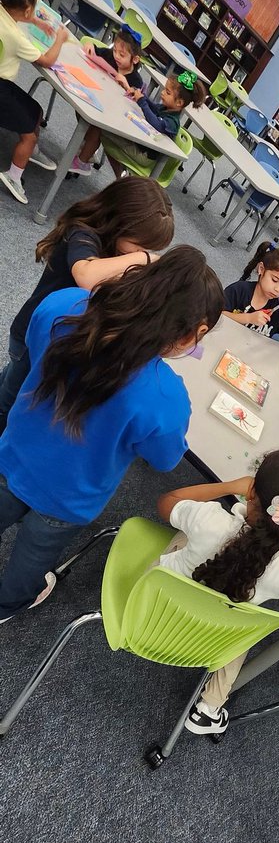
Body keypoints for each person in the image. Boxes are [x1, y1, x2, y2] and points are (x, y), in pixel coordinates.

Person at [0, 246, 223, 623]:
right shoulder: (166, 397)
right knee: (33, 558)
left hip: (14, 452)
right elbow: (164, 459)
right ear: (194, 333)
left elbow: (30, 357)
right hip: (68, 498)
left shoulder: (65, 304)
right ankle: (7, 605)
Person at [155, 448, 279, 735]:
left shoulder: (209, 518)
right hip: (208, 639)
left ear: (251, 490)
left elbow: (167, 502)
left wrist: (228, 487)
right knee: (244, 625)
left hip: (156, 609)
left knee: (185, 535)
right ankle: (209, 707)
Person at [0, 177, 175, 432]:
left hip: (55, 337)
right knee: (13, 400)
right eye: (139, 246)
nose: (139, 253)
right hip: (33, 334)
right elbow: (87, 276)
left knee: (14, 378)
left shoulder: (116, 249)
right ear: (119, 221)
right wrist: (143, 257)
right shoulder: (81, 232)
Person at [0, 0, 69, 204]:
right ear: (28, 9)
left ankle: (32, 151)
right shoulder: (17, 38)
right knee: (28, 136)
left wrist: (38, 23)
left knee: (36, 111)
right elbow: (48, 60)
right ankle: (13, 176)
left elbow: (21, 13)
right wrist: (59, 39)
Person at [98, 71, 207, 178]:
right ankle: (121, 176)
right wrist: (141, 96)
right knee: (107, 134)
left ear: (179, 103)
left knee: (103, 130)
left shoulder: (173, 122)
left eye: (168, 92)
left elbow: (157, 124)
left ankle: (121, 177)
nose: (163, 92)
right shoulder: (165, 108)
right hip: (140, 144)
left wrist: (142, 102)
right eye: (164, 89)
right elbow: (153, 107)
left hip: (145, 155)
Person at [70, 26, 145, 175]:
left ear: (135, 59)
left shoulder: (136, 79)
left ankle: (82, 162)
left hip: (113, 115)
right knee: (83, 113)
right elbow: (96, 50)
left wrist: (126, 86)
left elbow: (134, 102)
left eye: (122, 54)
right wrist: (90, 47)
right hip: (97, 99)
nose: (116, 56)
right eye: (115, 50)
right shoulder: (110, 56)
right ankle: (88, 151)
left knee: (96, 128)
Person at [223, 242, 279, 341]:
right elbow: (218, 315)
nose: (278, 289)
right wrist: (248, 318)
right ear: (261, 269)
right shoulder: (239, 289)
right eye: (274, 280)